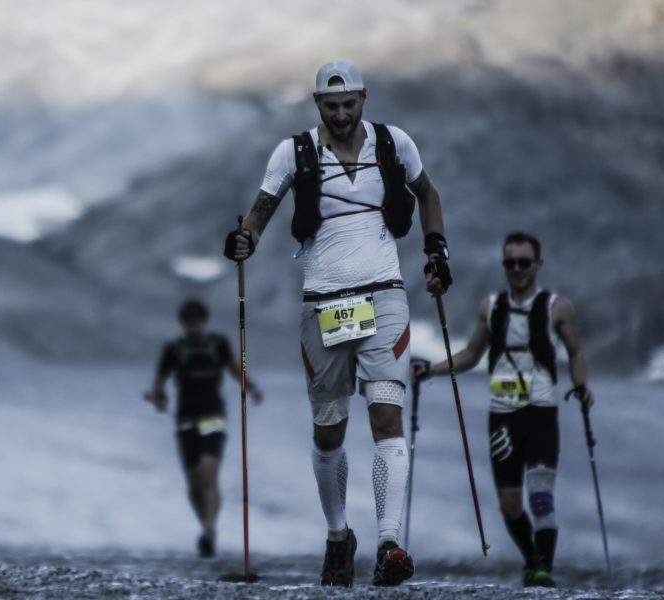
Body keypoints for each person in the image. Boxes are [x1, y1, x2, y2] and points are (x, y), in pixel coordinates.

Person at [223, 59, 453, 587]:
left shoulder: (394, 144)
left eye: (350, 103)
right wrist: (245, 241)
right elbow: (261, 208)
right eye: (332, 106)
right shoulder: (294, 152)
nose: (342, 113)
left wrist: (436, 249)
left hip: (385, 295)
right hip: (322, 302)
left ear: (364, 99)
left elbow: (429, 195)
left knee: (386, 415)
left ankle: (390, 544)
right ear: (317, 105)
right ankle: (337, 538)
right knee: (329, 430)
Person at [413, 231, 594, 588]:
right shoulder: (491, 307)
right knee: (510, 504)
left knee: (541, 496)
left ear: (538, 265)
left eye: (524, 263)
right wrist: (431, 370)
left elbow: (575, 352)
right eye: (510, 263)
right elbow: (471, 354)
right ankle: (533, 560)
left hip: (541, 412)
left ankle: (543, 569)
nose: (517, 269)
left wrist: (581, 387)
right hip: (502, 416)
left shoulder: (558, 307)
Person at [147, 299, 262, 558]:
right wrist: (159, 397)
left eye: (197, 321)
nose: (194, 327)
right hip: (185, 419)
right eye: (189, 322)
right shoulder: (173, 349)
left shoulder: (217, 344)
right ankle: (205, 525)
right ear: (183, 323)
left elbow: (235, 368)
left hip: (213, 416)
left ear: (204, 321)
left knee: (208, 473)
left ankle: (209, 531)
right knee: (194, 483)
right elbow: (160, 380)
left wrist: (250, 386)